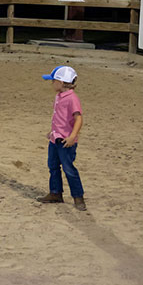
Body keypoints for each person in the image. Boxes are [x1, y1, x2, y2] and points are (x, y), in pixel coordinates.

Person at [36, 65, 86, 211]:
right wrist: (52, 131)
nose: (52, 83)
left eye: (54, 80)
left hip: (66, 141)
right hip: (55, 138)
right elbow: (60, 118)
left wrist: (72, 136)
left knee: (69, 168)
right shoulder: (59, 96)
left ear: (62, 82)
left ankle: (78, 197)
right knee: (52, 165)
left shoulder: (72, 99)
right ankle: (55, 193)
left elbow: (78, 119)